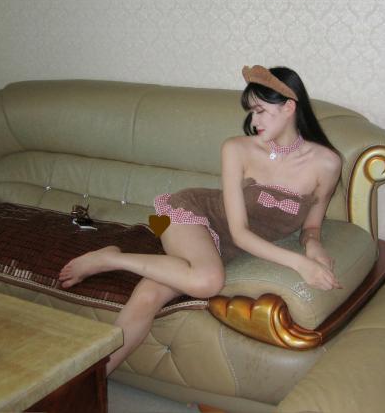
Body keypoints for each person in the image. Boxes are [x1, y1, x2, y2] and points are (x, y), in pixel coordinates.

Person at [58, 65, 342, 374]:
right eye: (251, 112)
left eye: (260, 111)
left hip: (223, 247)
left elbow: (312, 225)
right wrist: (300, 264)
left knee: (149, 295)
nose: (254, 121)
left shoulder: (326, 163)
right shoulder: (237, 148)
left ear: (289, 107)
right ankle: (112, 258)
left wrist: (313, 246)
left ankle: (90, 381)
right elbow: (239, 232)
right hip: (192, 214)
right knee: (208, 280)